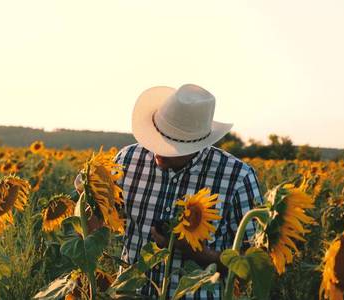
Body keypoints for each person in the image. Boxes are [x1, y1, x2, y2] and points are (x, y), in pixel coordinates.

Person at [113, 84, 264, 299]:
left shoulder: (236, 177)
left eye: (172, 147)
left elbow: (251, 263)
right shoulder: (127, 161)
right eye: (158, 139)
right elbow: (102, 219)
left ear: (198, 144)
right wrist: (89, 193)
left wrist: (198, 253)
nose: (159, 152)